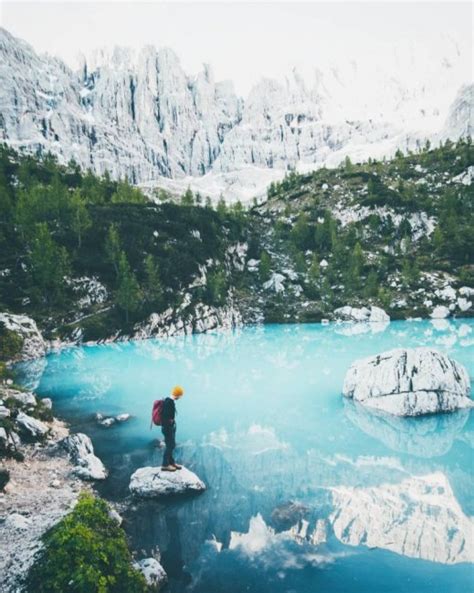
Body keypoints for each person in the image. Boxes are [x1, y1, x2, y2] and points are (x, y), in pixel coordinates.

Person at [161, 385, 184, 472]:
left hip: (167, 427)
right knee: (170, 445)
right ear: (178, 395)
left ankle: (171, 462)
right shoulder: (169, 402)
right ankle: (165, 465)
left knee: (170, 445)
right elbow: (165, 416)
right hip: (167, 428)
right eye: (180, 396)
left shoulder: (168, 401)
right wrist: (170, 423)